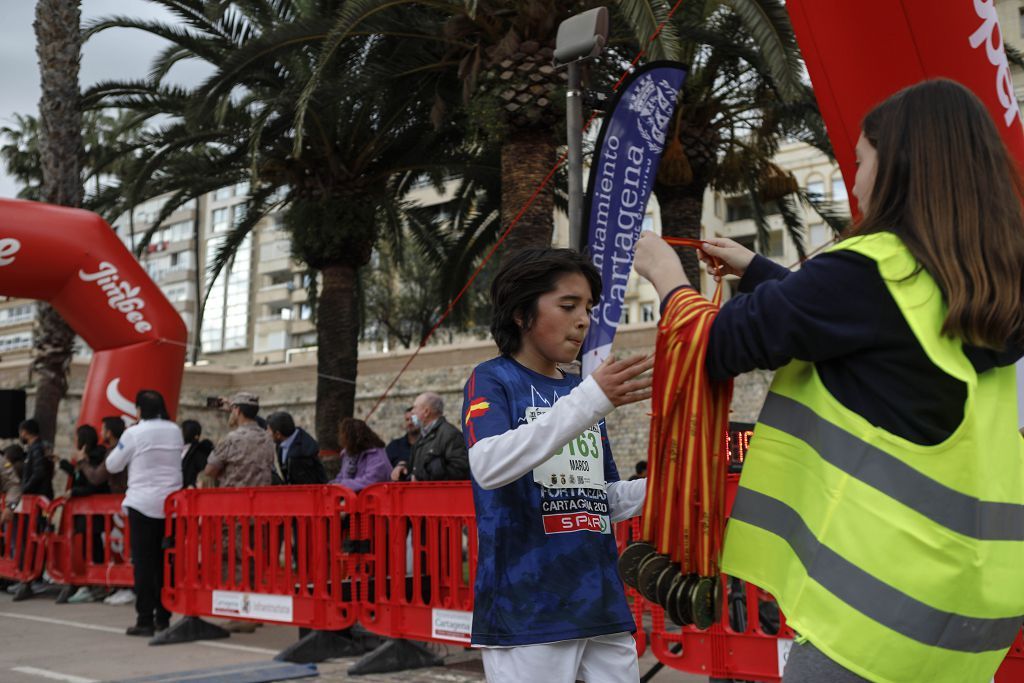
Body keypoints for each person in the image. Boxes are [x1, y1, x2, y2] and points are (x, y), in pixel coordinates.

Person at [633, 79, 1024, 683]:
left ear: (896, 166)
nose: (855, 179)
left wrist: (665, 275)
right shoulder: (989, 282)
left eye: (861, 160)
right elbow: (867, 333)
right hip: (970, 615)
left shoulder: (870, 271)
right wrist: (761, 270)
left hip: (873, 617)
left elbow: (718, 345)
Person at [462, 248, 653, 682]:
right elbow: (488, 464)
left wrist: (667, 486)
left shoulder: (583, 394)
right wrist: (590, 401)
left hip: (602, 604)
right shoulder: (492, 379)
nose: (583, 319)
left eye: (587, 307)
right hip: (527, 611)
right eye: (568, 306)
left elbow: (603, 500)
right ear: (520, 313)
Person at [104, 390, 183, 637]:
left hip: (142, 504)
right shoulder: (174, 430)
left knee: (144, 564)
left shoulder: (134, 433)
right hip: (170, 506)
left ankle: (144, 620)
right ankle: (164, 617)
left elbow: (112, 464)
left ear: (139, 410)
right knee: (164, 563)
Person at [200, 392, 275, 634]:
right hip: (261, 508)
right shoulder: (266, 438)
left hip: (233, 511)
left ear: (238, 411)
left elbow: (210, 470)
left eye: (233, 410)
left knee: (233, 562)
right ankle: (254, 610)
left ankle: (243, 614)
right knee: (253, 560)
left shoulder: (232, 439)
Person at [57, 424, 112, 604]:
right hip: (84, 512)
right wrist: (62, 463)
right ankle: (89, 582)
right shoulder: (85, 458)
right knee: (87, 546)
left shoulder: (96, 457)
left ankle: (96, 584)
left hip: (94, 511)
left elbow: (93, 483)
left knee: (94, 546)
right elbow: (80, 475)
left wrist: (74, 492)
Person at [391, 392, 469, 482]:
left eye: (415, 407)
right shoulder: (423, 435)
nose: (412, 412)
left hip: (438, 494)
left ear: (426, 412)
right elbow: (416, 465)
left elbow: (460, 470)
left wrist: (426, 475)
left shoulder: (450, 434)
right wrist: (403, 467)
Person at [97, 416, 134, 607]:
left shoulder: (117, 451)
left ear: (109, 432)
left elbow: (98, 476)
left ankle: (126, 587)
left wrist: (82, 463)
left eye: (103, 429)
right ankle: (123, 586)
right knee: (119, 543)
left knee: (122, 545)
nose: (101, 432)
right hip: (122, 503)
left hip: (123, 503)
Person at [266, 411, 327, 485]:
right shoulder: (281, 444)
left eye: (269, 430)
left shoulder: (302, 454)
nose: (267, 433)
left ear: (278, 434)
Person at [331, 418, 391, 492]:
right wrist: (332, 485)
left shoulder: (376, 455)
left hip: (375, 499)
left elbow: (370, 481)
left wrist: (342, 485)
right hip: (350, 499)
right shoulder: (348, 454)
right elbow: (342, 476)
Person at [18, 419, 53, 499]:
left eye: (20, 432)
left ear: (24, 432)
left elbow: (39, 473)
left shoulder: (37, 449)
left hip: (38, 497)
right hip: (39, 495)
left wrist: (25, 489)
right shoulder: (37, 448)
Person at [180, 420, 213, 489]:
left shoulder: (198, 452)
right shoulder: (178, 448)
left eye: (183, 431)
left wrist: (193, 485)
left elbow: (202, 474)